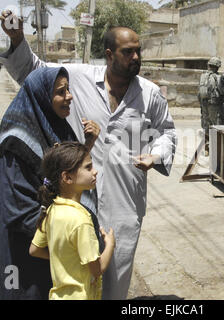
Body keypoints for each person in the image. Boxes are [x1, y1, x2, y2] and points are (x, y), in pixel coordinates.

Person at [0, 12, 177, 299]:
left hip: (125, 205)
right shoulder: (79, 79)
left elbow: (167, 132)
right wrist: (18, 38)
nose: (135, 57)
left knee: (116, 279)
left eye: (138, 51)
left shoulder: (151, 94)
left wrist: (155, 156)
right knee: (77, 276)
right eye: (127, 52)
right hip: (77, 200)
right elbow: (36, 74)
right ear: (109, 54)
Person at [0, 66, 100, 300]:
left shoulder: (55, 127)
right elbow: (18, 210)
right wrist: (67, 242)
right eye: (61, 91)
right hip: (28, 253)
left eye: (69, 89)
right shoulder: (16, 142)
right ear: (42, 96)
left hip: (51, 250)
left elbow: (63, 174)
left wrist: (87, 145)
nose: (69, 96)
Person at [29, 142, 115, 300]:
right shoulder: (81, 220)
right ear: (67, 177)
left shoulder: (51, 210)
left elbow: (34, 250)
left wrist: (66, 258)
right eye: (88, 168)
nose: (95, 172)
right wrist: (110, 245)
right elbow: (98, 269)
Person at [198, 57, 224, 156]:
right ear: (217, 67)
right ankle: (216, 150)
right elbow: (223, 90)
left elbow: (199, 92)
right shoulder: (218, 77)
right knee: (217, 126)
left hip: (204, 105)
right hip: (215, 105)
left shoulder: (202, 76)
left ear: (209, 65)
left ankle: (206, 149)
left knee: (206, 126)